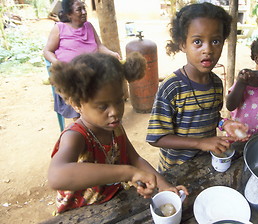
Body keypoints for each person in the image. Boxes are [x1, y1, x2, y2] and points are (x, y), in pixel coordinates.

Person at [47, 53, 188, 214]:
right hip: (82, 212)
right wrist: (127, 172)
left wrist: (164, 185)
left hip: (113, 201)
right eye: (102, 106)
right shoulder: (76, 137)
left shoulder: (114, 127)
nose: (115, 112)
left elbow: (134, 158)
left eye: (119, 101)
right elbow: (56, 176)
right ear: (77, 104)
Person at [146, 2, 248, 173]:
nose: (207, 49)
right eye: (198, 41)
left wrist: (224, 123)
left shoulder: (216, 83)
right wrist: (200, 143)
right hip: (175, 171)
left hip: (204, 164)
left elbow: (210, 116)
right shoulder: (172, 88)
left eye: (215, 41)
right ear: (183, 44)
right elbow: (156, 138)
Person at [43, 0, 120, 124]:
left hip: (92, 74)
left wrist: (111, 53)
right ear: (69, 14)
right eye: (79, 10)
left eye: (84, 8)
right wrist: (58, 63)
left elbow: (99, 46)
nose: (84, 12)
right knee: (79, 96)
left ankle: (99, 118)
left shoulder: (88, 26)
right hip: (71, 77)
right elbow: (47, 51)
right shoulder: (59, 28)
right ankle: (83, 124)